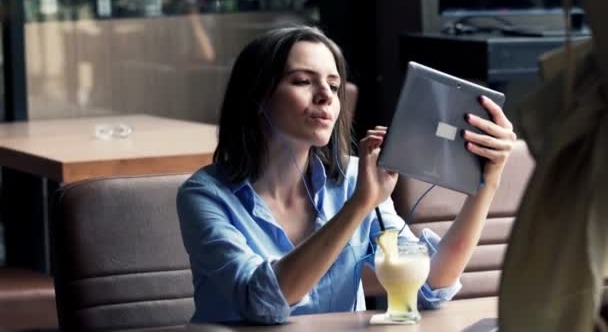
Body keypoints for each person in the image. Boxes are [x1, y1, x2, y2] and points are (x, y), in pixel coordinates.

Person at [177, 25, 516, 324]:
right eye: (302, 81)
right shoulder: (205, 195)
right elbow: (262, 302)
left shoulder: (354, 178)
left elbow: (432, 283)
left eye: (334, 84)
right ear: (256, 97)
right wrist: (359, 205)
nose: (326, 95)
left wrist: (486, 182)